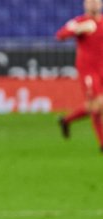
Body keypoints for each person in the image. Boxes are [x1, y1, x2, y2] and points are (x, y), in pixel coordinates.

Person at [57, 0, 103, 153]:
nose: (93, 4)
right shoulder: (80, 21)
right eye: (90, 2)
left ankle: (66, 120)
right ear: (85, 4)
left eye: (96, 2)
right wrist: (79, 29)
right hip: (88, 71)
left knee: (96, 108)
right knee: (98, 105)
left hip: (101, 69)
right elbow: (61, 34)